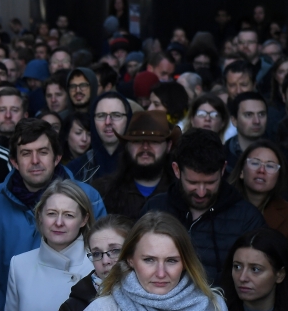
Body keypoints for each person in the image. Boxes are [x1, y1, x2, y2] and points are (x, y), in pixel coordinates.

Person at [0, 118, 106, 311]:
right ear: (14, 161)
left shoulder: (88, 197)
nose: (35, 160)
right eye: (26, 153)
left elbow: (106, 256)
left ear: (56, 158)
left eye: (43, 152)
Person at [142, 128, 266, 284]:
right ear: (176, 170)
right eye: (193, 183)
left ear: (222, 170)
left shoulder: (247, 218)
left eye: (210, 183)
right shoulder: (154, 209)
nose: (201, 193)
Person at [84, 211, 227, 311]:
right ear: (130, 260)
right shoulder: (103, 308)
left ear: (185, 262)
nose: (160, 273)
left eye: (171, 261)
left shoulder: (214, 305)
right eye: (149, 260)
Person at [5, 179, 95, 311]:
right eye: (51, 213)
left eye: (69, 215)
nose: (59, 222)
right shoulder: (19, 265)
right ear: (40, 215)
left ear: (84, 220)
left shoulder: (97, 265)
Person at [92, 111, 180, 220]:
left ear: (168, 146)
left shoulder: (181, 193)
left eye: (154, 141)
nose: (145, 147)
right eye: (137, 141)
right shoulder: (102, 192)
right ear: (127, 146)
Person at [59, 215, 135, 311]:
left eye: (115, 250)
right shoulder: (72, 307)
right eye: (97, 254)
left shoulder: (156, 290)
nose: (105, 261)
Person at [68, 92, 133, 183]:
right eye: (101, 116)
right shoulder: (75, 170)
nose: (108, 122)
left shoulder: (139, 165)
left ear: (128, 119)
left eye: (116, 115)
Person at [228, 140, 288, 238]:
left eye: (270, 166)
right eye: (255, 163)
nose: (261, 170)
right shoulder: (221, 206)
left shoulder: (286, 213)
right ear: (241, 171)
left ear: (278, 177)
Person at [221, 228, 288, 311]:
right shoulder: (216, 307)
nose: (242, 278)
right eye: (237, 267)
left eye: (255, 269)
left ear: (280, 275)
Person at [224, 92, 268, 173]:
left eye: (261, 114)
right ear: (234, 120)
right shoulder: (221, 155)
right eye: (248, 115)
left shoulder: (279, 152)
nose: (257, 121)